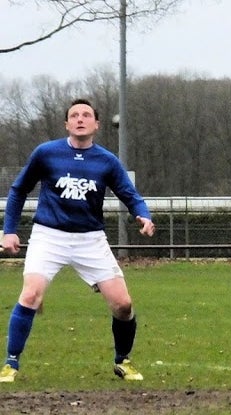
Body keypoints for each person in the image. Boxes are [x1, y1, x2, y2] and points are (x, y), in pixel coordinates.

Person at [0, 98, 156, 383]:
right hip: (49, 236)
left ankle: (122, 360)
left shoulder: (107, 161)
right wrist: (8, 230)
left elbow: (130, 194)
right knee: (31, 295)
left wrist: (143, 215)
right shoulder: (46, 153)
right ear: (66, 124)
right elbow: (19, 189)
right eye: (74, 115)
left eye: (86, 115)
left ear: (96, 124)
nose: (80, 119)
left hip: (90, 239)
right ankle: (11, 363)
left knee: (123, 305)